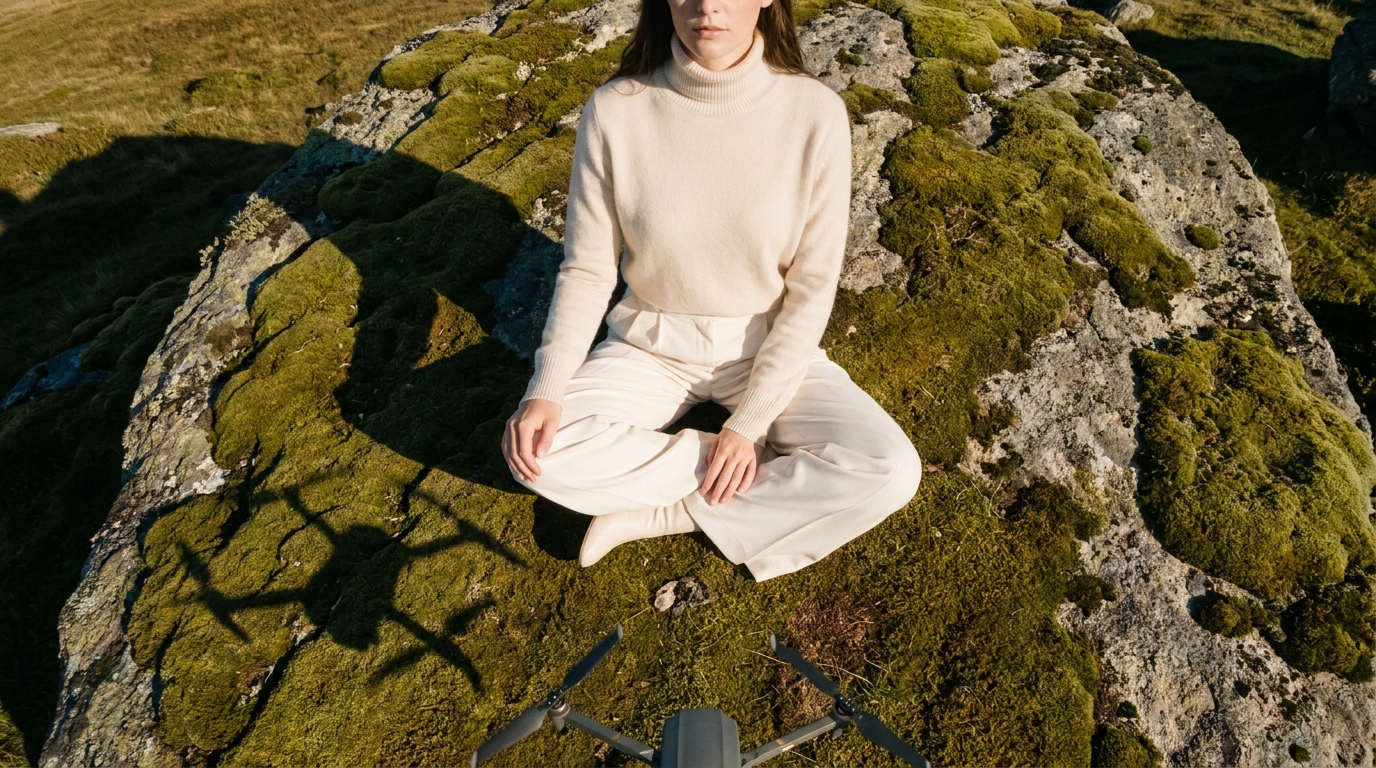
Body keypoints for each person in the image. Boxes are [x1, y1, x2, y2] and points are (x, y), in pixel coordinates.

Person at [500, 0, 922, 581]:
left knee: (890, 468)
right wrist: (545, 390)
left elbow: (811, 289)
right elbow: (588, 269)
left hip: (762, 349)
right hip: (648, 347)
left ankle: (668, 512)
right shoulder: (616, 111)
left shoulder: (813, 113)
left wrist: (746, 424)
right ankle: (765, 474)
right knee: (538, 456)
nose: (707, 6)